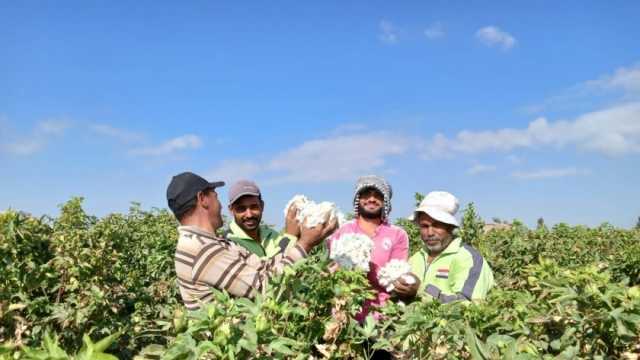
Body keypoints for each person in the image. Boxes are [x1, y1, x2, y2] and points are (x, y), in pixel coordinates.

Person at [167, 171, 336, 309]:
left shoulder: (208, 243)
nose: (218, 204)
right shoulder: (202, 249)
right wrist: (305, 244)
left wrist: (297, 239)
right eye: (215, 196)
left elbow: (265, 267)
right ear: (202, 199)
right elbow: (267, 288)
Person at [328, 175, 409, 320]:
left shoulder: (397, 234)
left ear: (385, 202)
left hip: (381, 316)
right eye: (366, 194)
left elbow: (396, 279)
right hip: (344, 312)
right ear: (358, 199)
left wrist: (369, 268)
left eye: (378, 195)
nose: (371, 199)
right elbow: (330, 270)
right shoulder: (343, 230)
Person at [393, 191, 495, 303]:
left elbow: (468, 305)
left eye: (437, 225)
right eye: (424, 226)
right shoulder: (415, 259)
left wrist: (421, 289)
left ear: (450, 227)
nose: (430, 232)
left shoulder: (468, 258)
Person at [224, 179, 298, 258]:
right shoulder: (228, 242)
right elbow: (265, 269)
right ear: (231, 210)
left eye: (254, 207)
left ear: (262, 206)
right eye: (241, 208)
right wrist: (291, 236)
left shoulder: (271, 234)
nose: (249, 215)